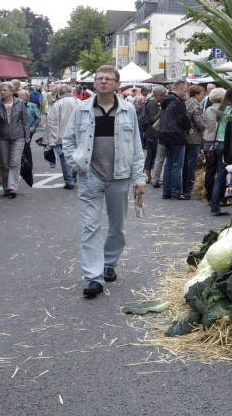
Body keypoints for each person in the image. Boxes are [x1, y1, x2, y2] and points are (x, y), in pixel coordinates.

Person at [61, 65, 146, 298]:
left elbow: (136, 146)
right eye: (99, 78)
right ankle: (93, 277)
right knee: (90, 227)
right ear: (94, 83)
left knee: (117, 226)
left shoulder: (128, 110)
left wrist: (139, 177)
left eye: (109, 79)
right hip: (91, 176)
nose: (104, 81)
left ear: (118, 84)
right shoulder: (81, 110)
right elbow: (68, 140)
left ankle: (109, 263)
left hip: (120, 177)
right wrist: (77, 163)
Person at [0, 82, 30, 198]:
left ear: (11, 91)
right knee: (5, 164)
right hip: (2, 137)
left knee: (15, 162)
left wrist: (27, 135)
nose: (2, 92)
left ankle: (13, 187)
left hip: (18, 136)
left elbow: (25, 121)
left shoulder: (20, 103)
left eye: (5, 90)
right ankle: (6, 188)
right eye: (1, 90)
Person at [158, 81, 190, 200]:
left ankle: (167, 192)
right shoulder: (177, 102)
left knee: (169, 164)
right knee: (177, 165)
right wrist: (188, 127)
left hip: (165, 134)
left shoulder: (165, 101)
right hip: (176, 135)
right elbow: (183, 118)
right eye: (185, 90)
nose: (185, 93)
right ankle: (176, 192)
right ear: (180, 89)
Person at [202, 88, 231, 216]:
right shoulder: (226, 109)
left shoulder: (207, 110)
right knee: (221, 174)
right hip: (220, 141)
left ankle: (209, 196)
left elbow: (203, 124)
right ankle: (220, 199)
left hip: (209, 141)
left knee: (209, 171)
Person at [44, 84, 79, 190]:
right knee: (76, 158)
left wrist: (52, 140)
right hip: (78, 135)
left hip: (62, 136)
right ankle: (73, 176)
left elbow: (52, 123)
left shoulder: (57, 104)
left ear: (60, 92)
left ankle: (69, 180)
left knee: (65, 159)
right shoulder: (78, 102)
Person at [183, 84, 207, 199]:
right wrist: (207, 129)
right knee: (192, 163)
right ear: (196, 94)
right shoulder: (195, 105)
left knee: (187, 162)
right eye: (202, 94)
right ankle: (189, 187)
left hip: (188, 136)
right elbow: (199, 122)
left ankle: (186, 186)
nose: (203, 96)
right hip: (194, 138)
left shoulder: (188, 102)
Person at [142, 86, 166, 186]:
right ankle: (151, 177)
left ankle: (149, 176)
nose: (164, 97)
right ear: (159, 95)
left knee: (151, 155)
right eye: (163, 95)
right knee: (154, 156)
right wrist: (161, 112)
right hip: (153, 133)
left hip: (149, 132)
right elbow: (152, 119)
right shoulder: (154, 104)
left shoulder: (150, 102)